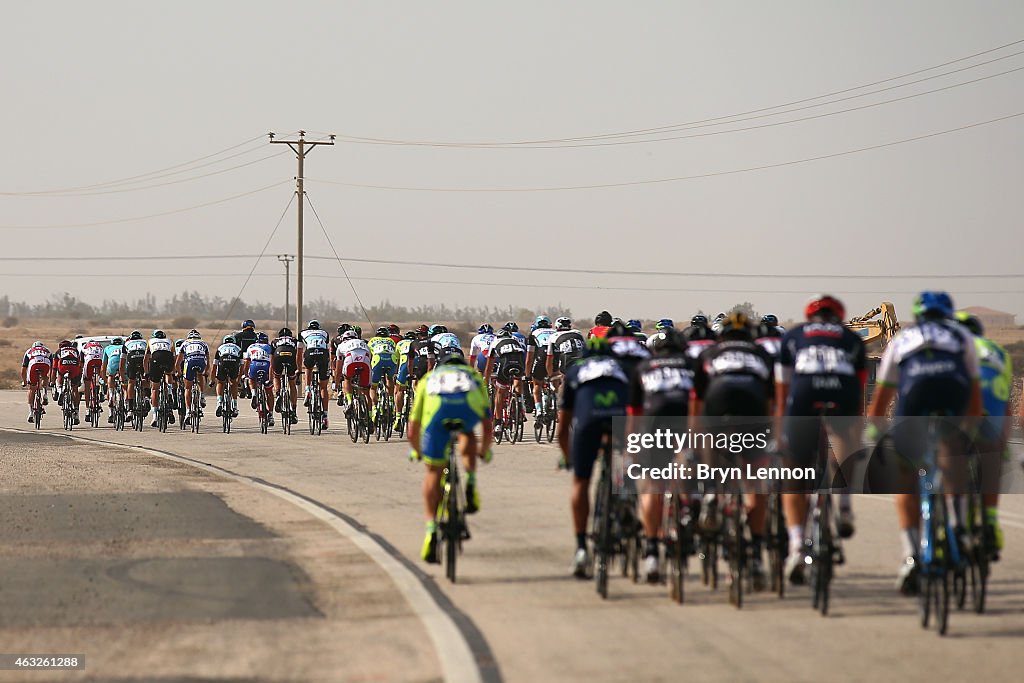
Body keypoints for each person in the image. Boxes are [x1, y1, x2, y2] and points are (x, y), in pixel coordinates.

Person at [866, 291, 982, 594]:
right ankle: (957, 522)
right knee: (952, 451)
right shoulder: (961, 337)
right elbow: (974, 395)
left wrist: (876, 432)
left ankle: (911, 556)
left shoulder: (902, 340)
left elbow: (881, 399)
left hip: (915, 400)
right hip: (952, 393)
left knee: (905, 476)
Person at [775, 295, 865, 584]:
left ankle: (796, 546)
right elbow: (859, 387)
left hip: (804, 396)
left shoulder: (793, 336)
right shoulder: (852, 339)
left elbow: (783, 390)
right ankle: (846, 506)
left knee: (793, 474)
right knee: (845, 439)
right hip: (842, 392)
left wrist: (781, 430)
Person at [690, 311, 774, 591]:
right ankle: (758, 553)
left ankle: (712, 491)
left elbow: (697, 404)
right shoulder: (762, 354)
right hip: (753, 411)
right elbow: (772, 401)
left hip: (718, 405)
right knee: (754, 484)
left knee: (710, 445)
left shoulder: (710, 354)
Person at [408, 346, 493, 562]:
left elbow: (413, 427)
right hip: (467, 412)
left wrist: (417, 451)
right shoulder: (473, 375)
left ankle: (430, 530)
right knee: (467, 433)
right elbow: (486, 420)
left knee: (433, 472)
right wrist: (484, 451)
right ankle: (471, 482)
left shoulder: (430, 378)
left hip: (437, 416)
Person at [558, 333, 632, 577]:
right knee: (627, 467)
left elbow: (564, 425)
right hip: (620, 420)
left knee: (581, 481)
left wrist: (568, 456)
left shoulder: (576, 370)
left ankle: (581, 547)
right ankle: (625, 505)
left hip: (587, 423)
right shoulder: (622, 367)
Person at [627, 328, 694, 582]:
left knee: (652, 485)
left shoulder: (644, 367)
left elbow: (634, 414)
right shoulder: (692, 364)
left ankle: (652, 551)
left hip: (654, 421)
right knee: (690, 465)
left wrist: (633, 446)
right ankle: (687, 508)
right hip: (686, 418)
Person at [954, 310, 1014, 559]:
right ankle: (989, 521)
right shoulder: (998, 352)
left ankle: (951, 524)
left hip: (960, 404)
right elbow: (1007, 406)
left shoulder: (951, 348)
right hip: (992, 410)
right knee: (992, 455)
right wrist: (1004, 444)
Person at [484, 328, 527, 433]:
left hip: (506, 365)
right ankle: (520, 406)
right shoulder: (516, 342)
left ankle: (498, 423)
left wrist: (485, 381)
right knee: (517, 381)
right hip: (520, 362)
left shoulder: (495, 343)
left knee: (500, 392)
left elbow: (489, 366)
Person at [299, 320, 332, 429]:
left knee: (308, 367)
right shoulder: (324, 333)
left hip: (310, 352)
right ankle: (325, 416)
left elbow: (299, 352)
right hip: (323, 354)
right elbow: (327, 349)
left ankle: (308, 389)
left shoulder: (303, 333)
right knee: (323, 387)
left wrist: (299, 369)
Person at [175, 330, 210, 426]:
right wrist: (205, 372)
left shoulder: (185, 343)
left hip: (190, 362)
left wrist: (179, 372)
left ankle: (188, 411)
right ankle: (202, 396)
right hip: (201, 361)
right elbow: (208, 361)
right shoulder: (204, 343)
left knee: (188, 388)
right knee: (200, 375)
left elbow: (178, 363)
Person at [334, 330, 371, 417]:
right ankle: (369, 418)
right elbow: (370, 359)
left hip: (350, 359)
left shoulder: (340, 346)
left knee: (347, 378)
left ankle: (350, 401)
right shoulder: (364, 343)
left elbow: (338, 368)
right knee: (366, 391)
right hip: (365, 360)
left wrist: (336, 383)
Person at [526, 316, 557, 420]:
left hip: (541, 356)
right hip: (555, 358)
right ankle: (553, 404)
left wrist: (527, 375)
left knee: (537, 384)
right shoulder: (555, 332)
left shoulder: (534, 334)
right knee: (554, 381)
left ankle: (539, 410)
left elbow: (529, 358)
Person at [242, 331, 275, 427]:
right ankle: (271, 415)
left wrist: (245, 375)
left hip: (254, 365)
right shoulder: (269, 347)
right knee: (269, 390)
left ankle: (253, 394)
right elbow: (272, 363)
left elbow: (246, 363)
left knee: (251, 379)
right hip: (266, 366)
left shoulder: (251, 347)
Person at [368, 325, 400, 423]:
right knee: (389, 379)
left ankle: (374, 408)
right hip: (391, 361)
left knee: (373, 387)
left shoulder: (372, 340)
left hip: (377, 361)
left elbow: (368, 356)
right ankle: (390, 401)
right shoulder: (391, 341)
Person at [146, 329, 177, 427]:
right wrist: (174, 372)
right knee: (168, 374)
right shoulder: (169, 341)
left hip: (156, 358)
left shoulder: (150, 341)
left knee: (155, 389)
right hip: (168, 358)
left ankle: (155, 416)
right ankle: (170, 390)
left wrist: (147, 372)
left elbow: (145, 359)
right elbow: (174, 357)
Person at [545, 317, 586, 385]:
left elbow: (549, 358)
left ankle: (563, 393)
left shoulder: (553, 336)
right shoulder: (578, 332)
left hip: (567, 358)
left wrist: (550, 375)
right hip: (581, 357)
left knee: (564, 378)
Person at [271, 327, 300, 424]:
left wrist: (272, 372)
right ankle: (294, 410)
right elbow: (299, 354)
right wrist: (298, 369)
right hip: (291, 356)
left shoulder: (275, 341)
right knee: (292, 383)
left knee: (277, 376)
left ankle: (278, 394)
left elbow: (272, 359)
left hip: (278, 353)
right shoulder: (294, 340)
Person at [119, 331, 148, 420]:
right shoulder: (145, 342)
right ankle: (146, 397)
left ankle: (130, 410)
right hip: (143, 357)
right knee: (145, 378)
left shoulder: (127, 343)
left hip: (132, 358)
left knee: (131, 382)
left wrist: (122, 375)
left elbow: (122, 362)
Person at [21, 341, 52, 423]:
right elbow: (52, 367)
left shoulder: (29, 351)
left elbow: (24, 369)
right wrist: (50, 379)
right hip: (45, 363)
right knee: (45, 376)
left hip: (33, 363)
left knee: (31, 388)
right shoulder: (47, 350)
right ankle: (45, 393)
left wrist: (24, 381)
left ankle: (31, 413)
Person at [213, 334, 243, 420]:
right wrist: (239, 379)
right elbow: (242, 365)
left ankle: (219, 403)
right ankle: (234, 406)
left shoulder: (220, 348)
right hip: (234, 363)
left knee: (220, 382)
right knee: (233, 383)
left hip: (223, 361)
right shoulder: (238, 348)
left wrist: (212, 379)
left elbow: (215, 365)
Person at [394, 330, 417, 428]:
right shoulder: (418, 343)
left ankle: (398, 416)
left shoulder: (400, 343)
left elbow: (397, 361)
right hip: (417, 364)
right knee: (417, 387)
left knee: (400, 390)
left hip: (404, 366)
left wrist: (396, 374)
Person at [80, 337, 106, 424]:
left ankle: (87, 409)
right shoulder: (100, 346)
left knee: (87, 382)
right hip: (100, 360)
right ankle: (101, 391)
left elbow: (81, 362)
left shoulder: (85, 346)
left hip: (90, 360)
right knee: (101, 377)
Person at [234, 320, 260, 399]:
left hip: (242, 356)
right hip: (254, 356)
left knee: (241, 372)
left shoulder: (238, 336)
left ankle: (242, 387)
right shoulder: (256, 336)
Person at [103, 337, 124, 423]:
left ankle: (111, 393)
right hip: (123, 364)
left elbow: (103, 366)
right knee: (126, 385)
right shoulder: (124, 347)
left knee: (110, 376)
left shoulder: (108, 348)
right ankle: (126, 404)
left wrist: (104, 378)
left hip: (112, 363)